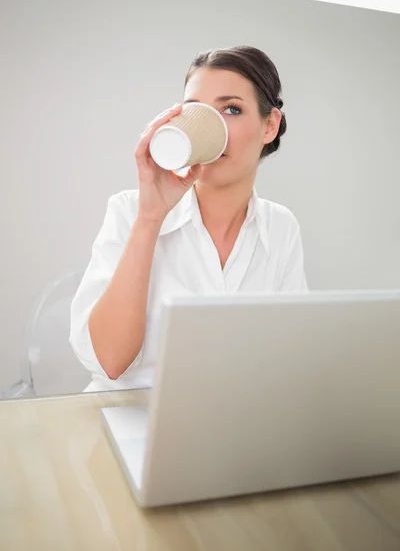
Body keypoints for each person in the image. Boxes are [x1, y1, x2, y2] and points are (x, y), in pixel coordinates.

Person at [69, 45, 308, 393]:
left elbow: (291, 356)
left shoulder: (280, 227)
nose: (211, 126)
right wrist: (151, 218)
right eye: (196, 111)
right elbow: (110, 362)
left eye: (231, 109)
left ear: (269, 125)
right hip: (127, 421)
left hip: (226, 427)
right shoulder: (130, 212)